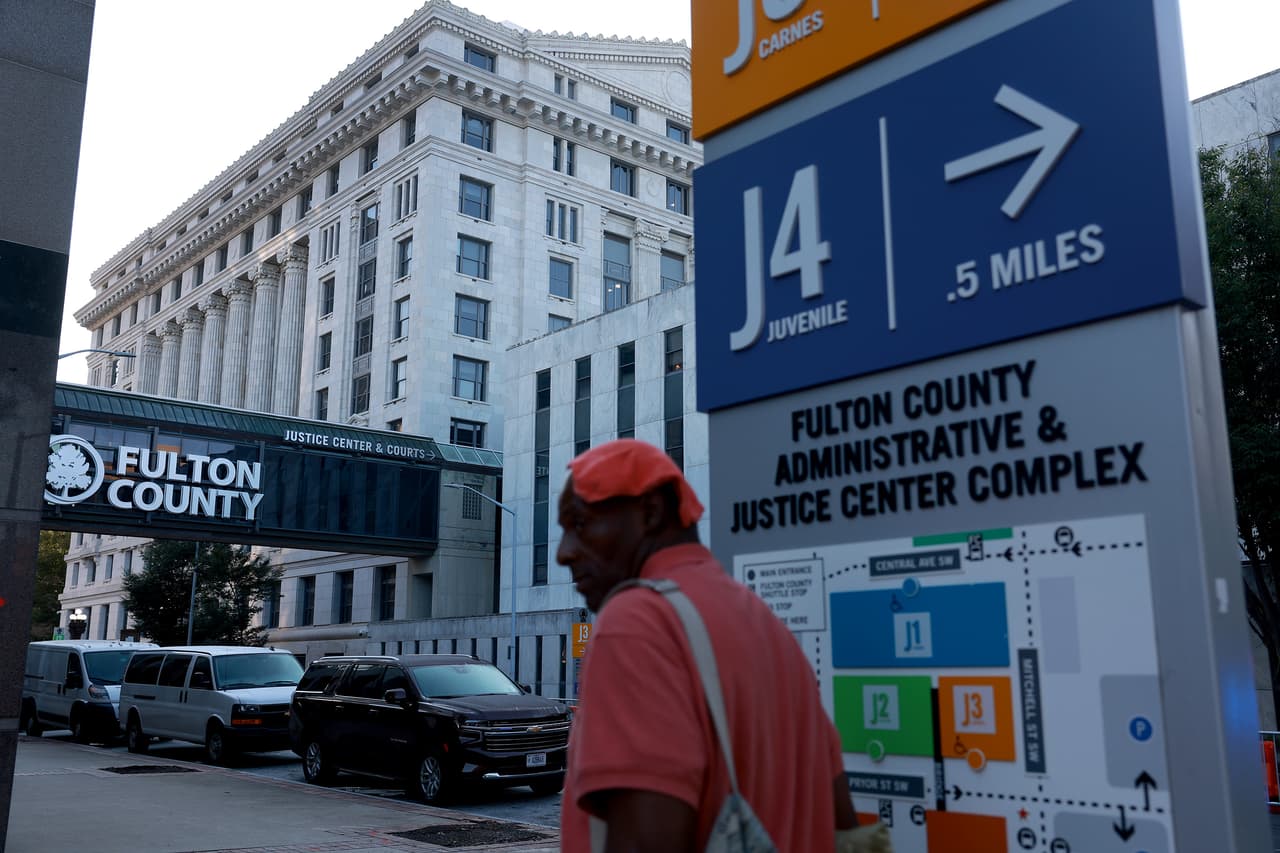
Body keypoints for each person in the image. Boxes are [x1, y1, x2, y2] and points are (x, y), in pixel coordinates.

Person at [556, 439, 883, 853]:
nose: (563, 553)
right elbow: (845, 825)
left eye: (580, 524)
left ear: (651, 512)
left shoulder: (636, 623)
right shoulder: (767, 627)